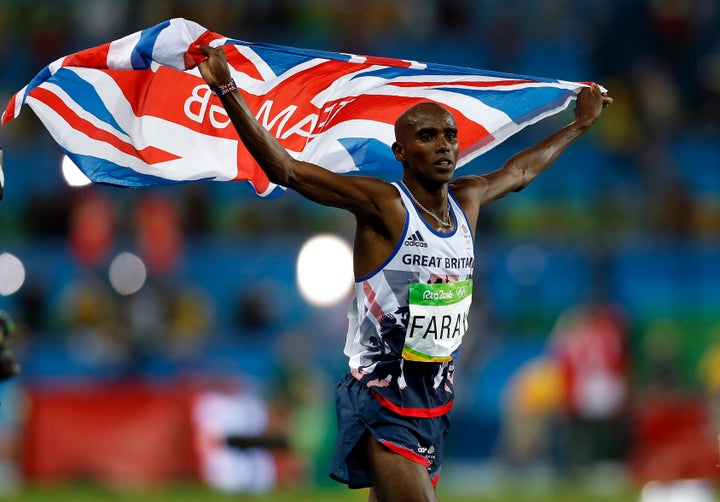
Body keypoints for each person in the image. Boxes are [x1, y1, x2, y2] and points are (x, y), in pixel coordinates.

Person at [198, 45, 612, 502]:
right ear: (400, 150)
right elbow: (287, 169)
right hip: (382, 400)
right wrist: (226, 88)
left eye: (450, 135)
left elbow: (522, 171)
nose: (444, 145)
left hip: (433, 402)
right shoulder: (385, 206)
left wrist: (579, 125)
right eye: (428, 135)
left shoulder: (467, 200)